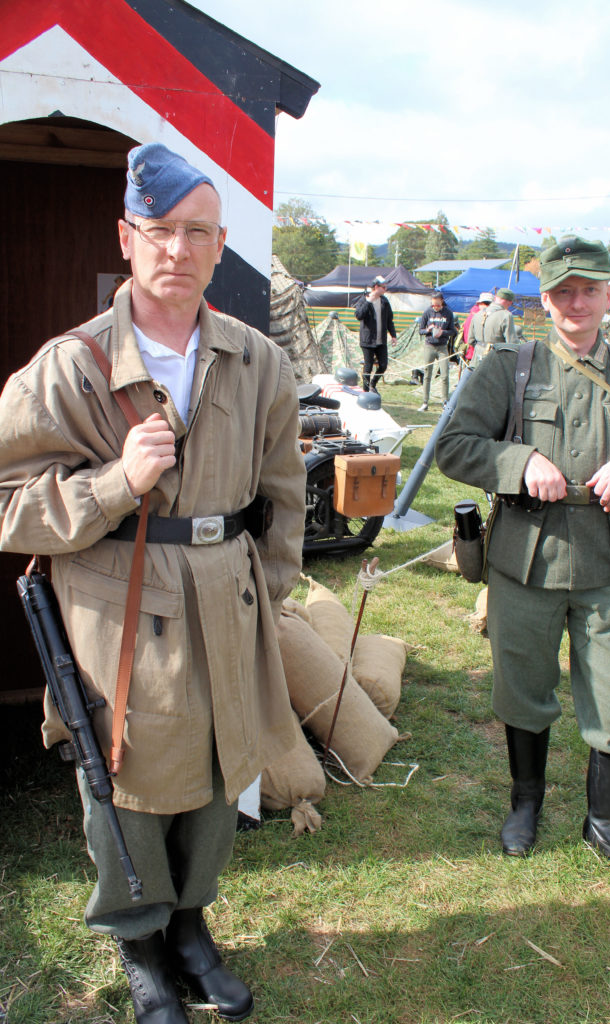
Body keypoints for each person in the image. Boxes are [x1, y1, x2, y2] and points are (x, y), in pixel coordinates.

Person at [0, 143, 306, 1022]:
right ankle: (140, 942)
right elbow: (7, 503)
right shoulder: (70, 366)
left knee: (220, 766)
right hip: (117, 602)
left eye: (197, 233)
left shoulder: (257, 359)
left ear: (219, 248)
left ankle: (191, 927)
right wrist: (113, 483)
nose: (178, 249)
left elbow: (283, 494)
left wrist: (268, 592)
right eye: (161, 231)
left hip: (228, 594)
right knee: (127, 774)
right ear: (127, 238)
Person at [436, 237, 610, 891]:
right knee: (522, 690)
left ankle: (608, 828)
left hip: (607, 562)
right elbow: (455, 447)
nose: (576, 303)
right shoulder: (508, 368)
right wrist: (518, 464)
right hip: (524, 558)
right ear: (543, 299)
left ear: (608, 296)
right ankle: (526, 803)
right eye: (562, 292)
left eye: (588, 290)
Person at [354, 275, 397, 393]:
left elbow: (389, 320)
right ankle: (365, 391)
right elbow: (358, 315)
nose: (385, 289)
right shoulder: (364, 299)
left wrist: (393, 335)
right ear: (376, 287)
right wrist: (369, 302)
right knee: (368, 367)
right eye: (383, 287)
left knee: (383, 365)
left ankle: (373, 384)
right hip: (367, 340)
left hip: (381, 340)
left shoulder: (385, 301)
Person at [417, 290, 457, 411]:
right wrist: (428, 330)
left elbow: (453, 331)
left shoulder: (448, 313)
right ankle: (425, 402)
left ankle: (445, 401)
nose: (435, 307)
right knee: (427, 374)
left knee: (444, 375)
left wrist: (442, 332)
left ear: (442, 302)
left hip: (442, 347)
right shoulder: (427, 312)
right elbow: (420, 330)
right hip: (429, 346)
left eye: (438, 305)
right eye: (433, 305)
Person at [469, 286, 517, 365]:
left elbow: (470, 340)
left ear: (495, 298)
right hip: (495, 359)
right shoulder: (506, 315)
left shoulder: (477, 314)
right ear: (509, 302)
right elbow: (512, 344)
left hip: (476, 359)